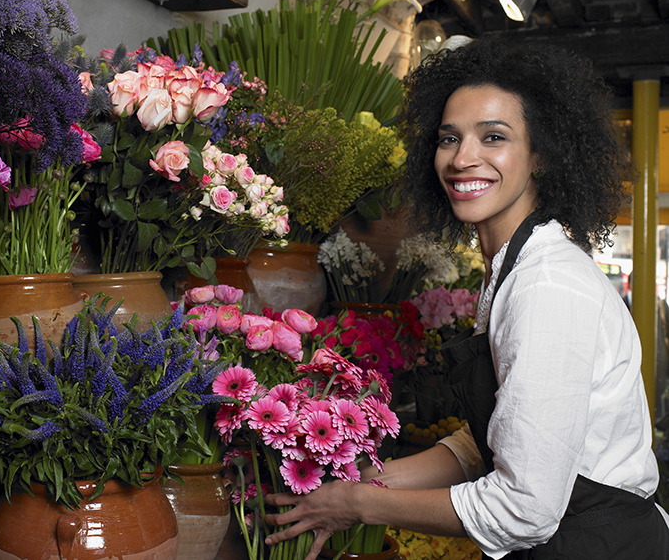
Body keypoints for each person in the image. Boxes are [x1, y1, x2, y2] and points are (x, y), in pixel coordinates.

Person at [264, 36, 669, 559]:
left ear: (541, 155)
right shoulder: (512, 269)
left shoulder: (548, 286)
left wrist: (359, 503)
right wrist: (370, 476)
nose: (463, 159)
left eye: (493, 137)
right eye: (449, 138)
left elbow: (524, 507)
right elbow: (493, 444)